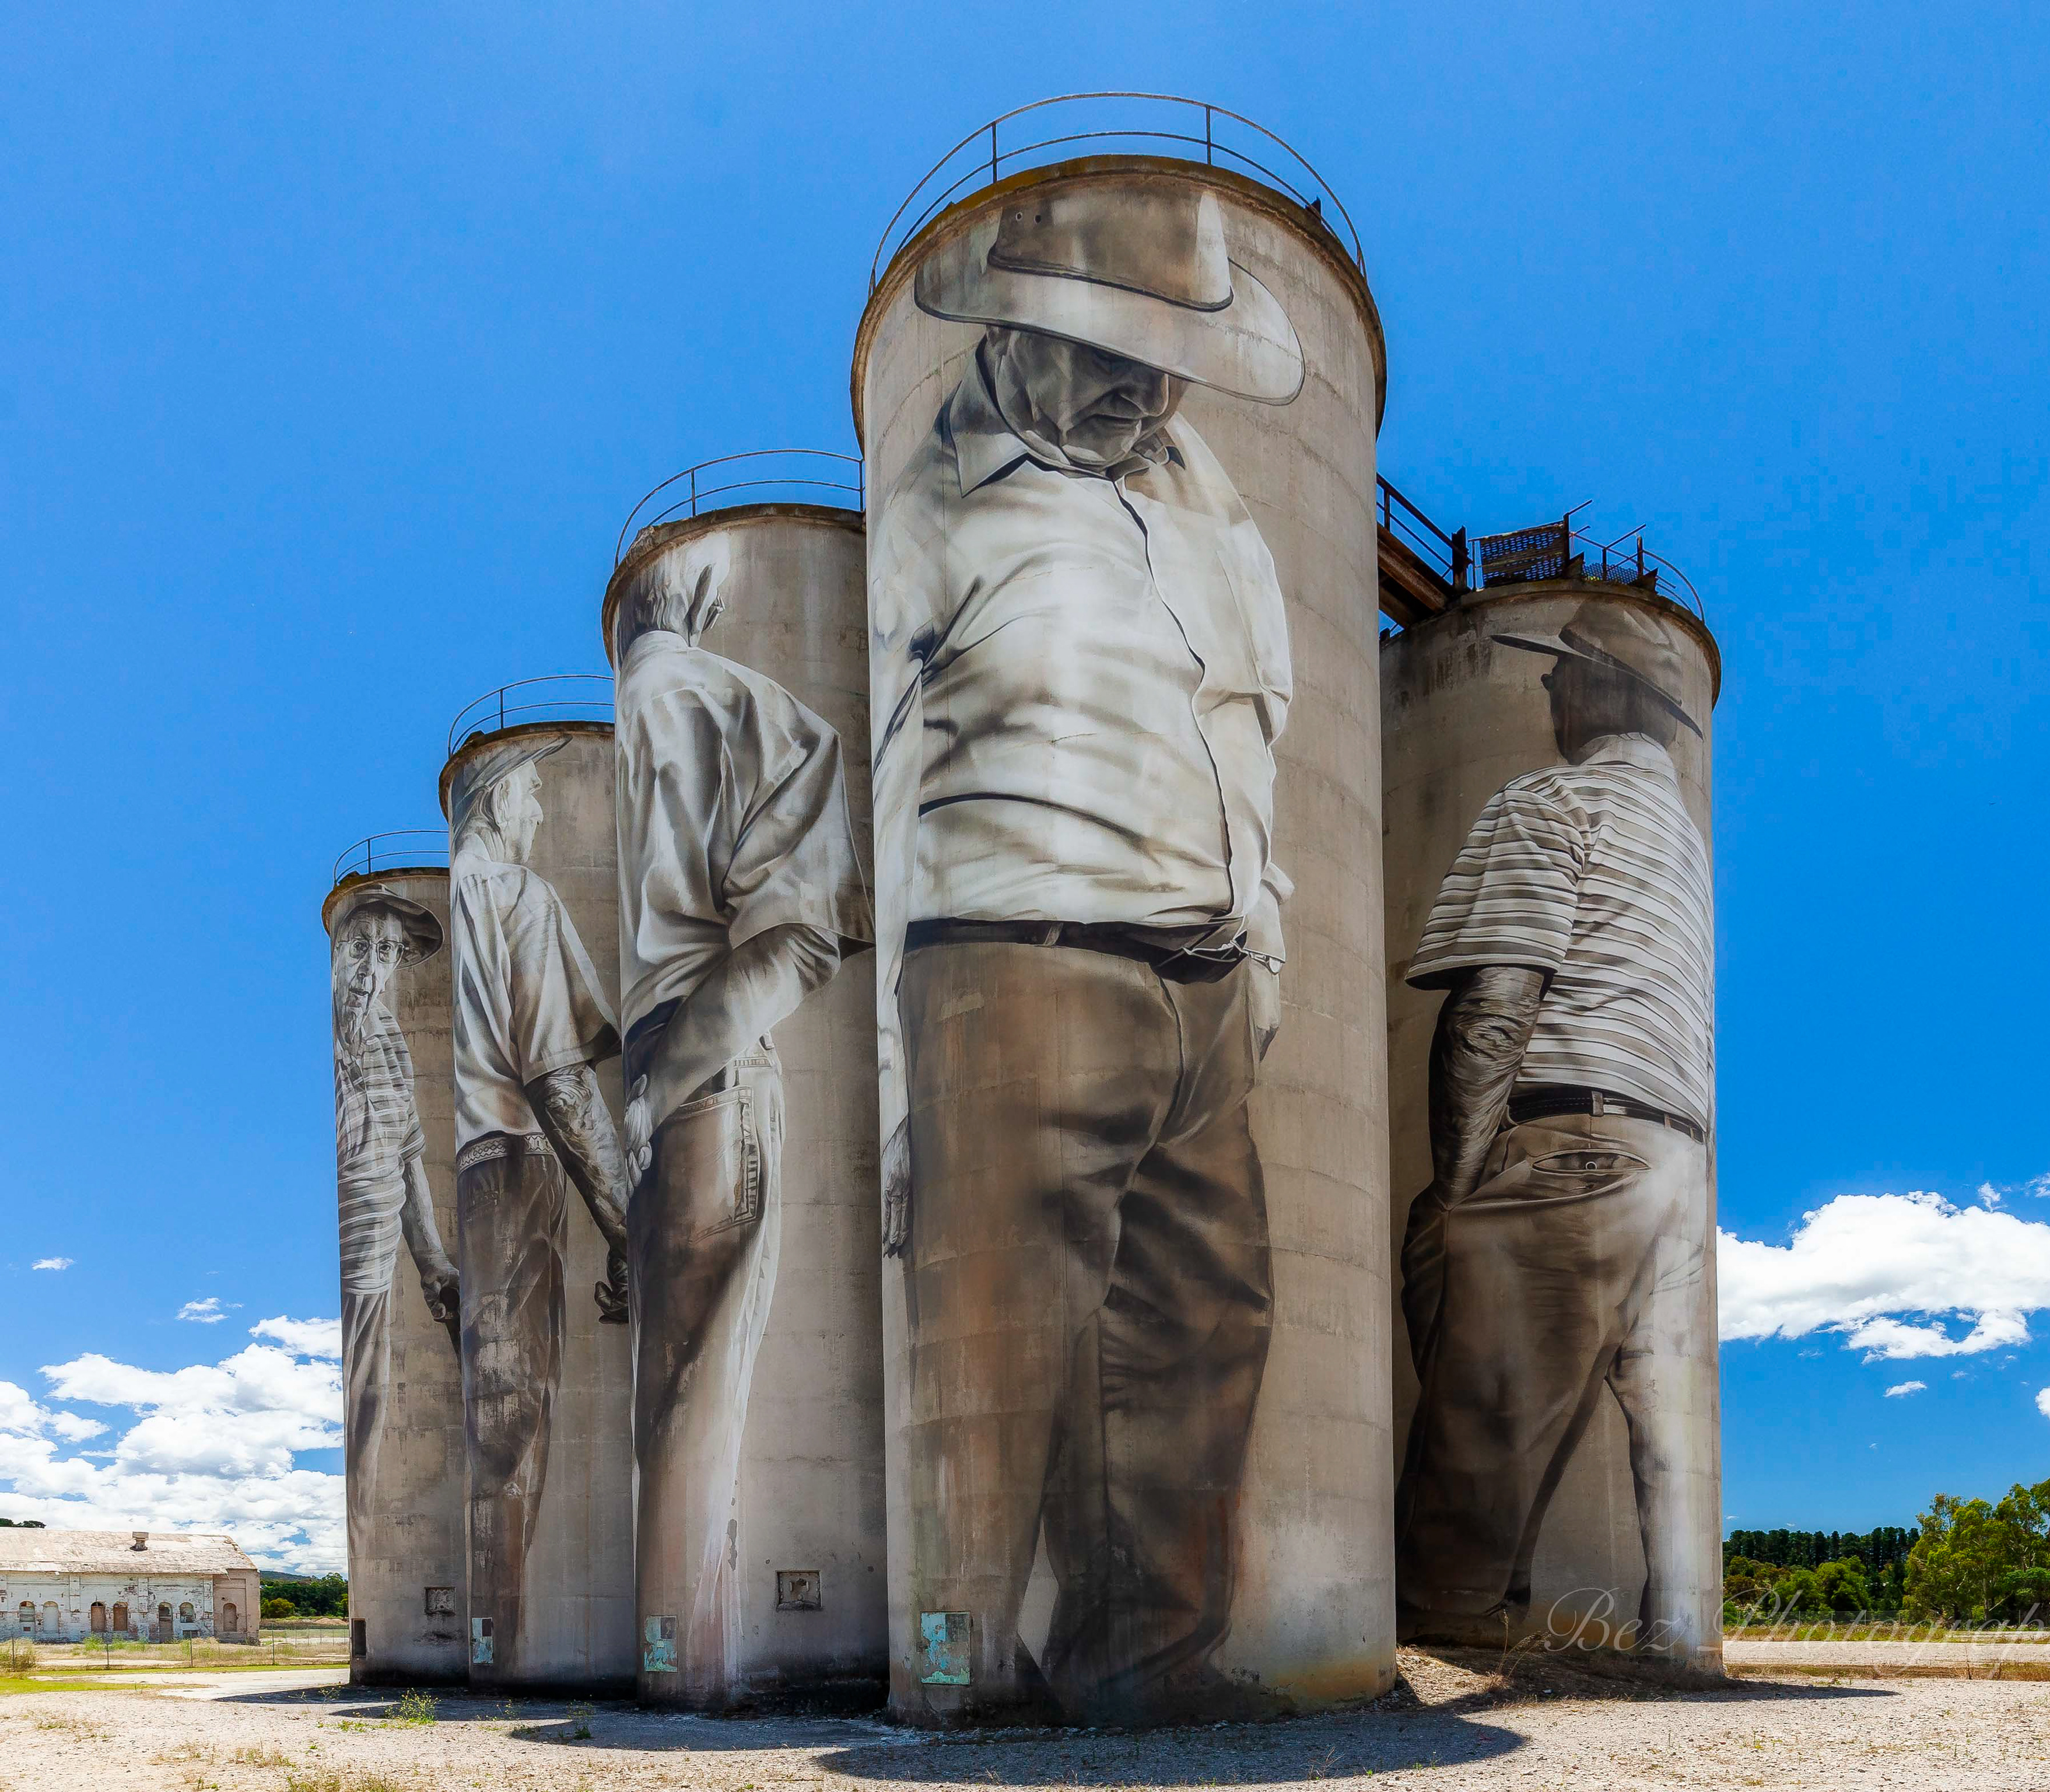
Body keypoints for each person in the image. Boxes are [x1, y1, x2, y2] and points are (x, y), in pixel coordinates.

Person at [868, 178, 1303, 1720]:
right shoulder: (931, 514)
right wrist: (897, 1084)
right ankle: (957, 1679)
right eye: (1114, 349)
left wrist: (1264, 953)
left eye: (1172, 355)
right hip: (1013, 963)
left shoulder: (1211, 509)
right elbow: (882, 785)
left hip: (1206, 978)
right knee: (992, 1350)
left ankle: (1146, 1668)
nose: (1148, 388)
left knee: (1201, 1331)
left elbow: (1248, 737)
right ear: (1018, 323)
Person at [1394, 601, 1716, 1654]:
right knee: (1669, 1436)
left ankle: (1448, 1642)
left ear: (1606, 689)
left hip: (1576, 1136)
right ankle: (1676, 1646)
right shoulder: (1684, 844)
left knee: (1483, 1411)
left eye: (1562, 670)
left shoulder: (1552, 799)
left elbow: (1497, 1000)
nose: (1547, 687)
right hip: (1679, 1160)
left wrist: (1461, 1188)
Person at [610, 539, 873, 1693]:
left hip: (663, 1076)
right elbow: (802, 937)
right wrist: (666, 1087)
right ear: (708, 597)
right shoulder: (754, 710)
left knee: (667, 1417)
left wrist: (642, 1096)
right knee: (697, 1418)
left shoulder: (649, 710)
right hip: (702, 1073)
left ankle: (678, 1666)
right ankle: (703, 1672)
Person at [447, 737, 631, 1677]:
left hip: (473, 1168)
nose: (542, 813)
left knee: (494, 1424)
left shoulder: (460, 899)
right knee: (521, 1426)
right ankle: (516, 1651)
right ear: (491, 804)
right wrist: (626, 1223)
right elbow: (559, 1074)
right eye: (530, 793)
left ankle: (495, 1645)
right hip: (521, 1164)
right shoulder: (518, 892)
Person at [330, 884, 459, 1582]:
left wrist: (433, 1261)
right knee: (366, 1389)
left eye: (385, 951)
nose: (369, 965)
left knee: (375, 1389)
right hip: (358, 1244)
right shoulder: (346, 1031)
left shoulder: (388, 1035)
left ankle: (375, 1548)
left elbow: (411, 1155)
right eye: (357, 946)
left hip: (384, 1235)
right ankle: (368, 1551)